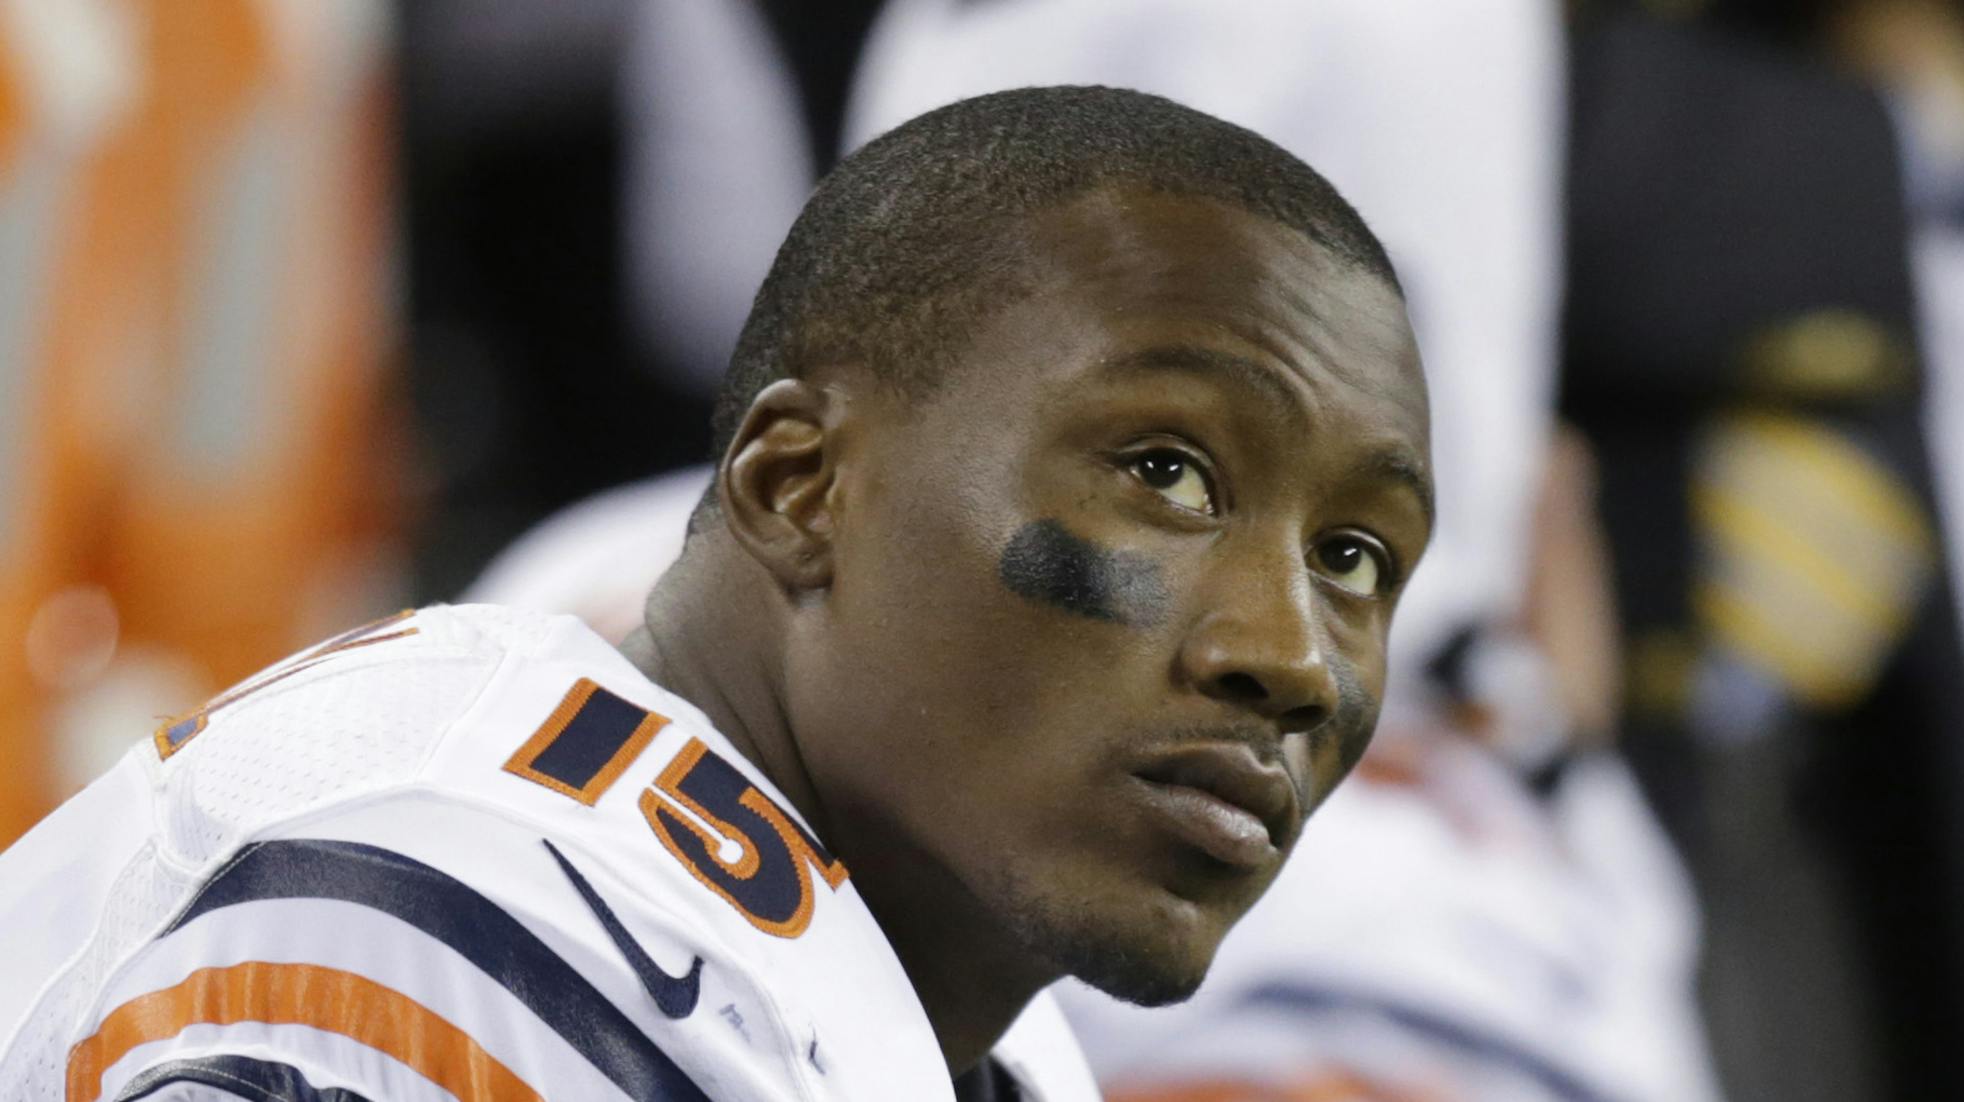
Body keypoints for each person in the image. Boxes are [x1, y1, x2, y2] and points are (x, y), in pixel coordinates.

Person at [0, 85, 1434, 1101]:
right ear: (797, 487)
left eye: (1356, 557)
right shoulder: (483, 945)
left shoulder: (927, 1009)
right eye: (1168, 474)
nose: (1294, 656)